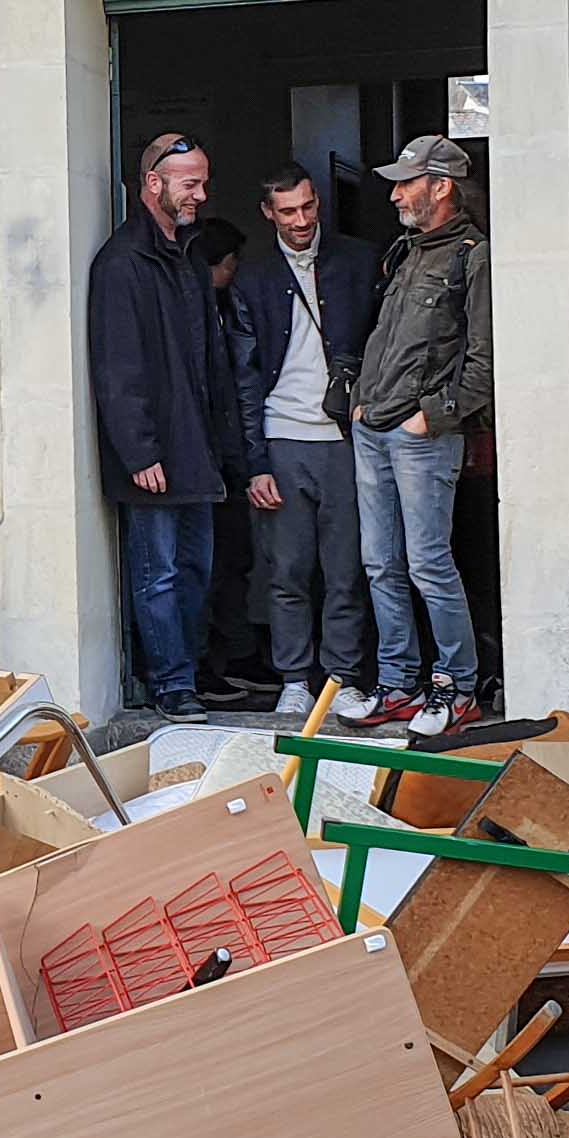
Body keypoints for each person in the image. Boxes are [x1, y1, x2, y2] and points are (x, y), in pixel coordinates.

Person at [84, 132, 246, 726]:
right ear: (154, 183)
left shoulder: (187, 258)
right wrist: (139, 450)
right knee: (159, 577)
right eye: (190, 183)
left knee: (195, 573)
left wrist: (231, 449)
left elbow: (212, 363)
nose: (202, 194)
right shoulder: (123, 263)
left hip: (197, 451)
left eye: (201, 182)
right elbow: (117, 367)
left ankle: (187, 675)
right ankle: (172, 687)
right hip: (155, 458)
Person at [347, 135, 494, 737]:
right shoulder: (405, 252)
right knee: (380, 564)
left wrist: (434, 415)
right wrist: (361, 403)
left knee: (429, 564)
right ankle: (398, 685)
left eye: (407, 181)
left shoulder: (472, 256)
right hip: (375, 427)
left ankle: (457, 689)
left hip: (422, 434)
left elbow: (485, 359)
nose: (394, 192)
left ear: (442, 186)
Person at [233, 162, 382, 723]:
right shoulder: (252, 276)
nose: (302, 220)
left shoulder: (358, 259)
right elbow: (243, 377)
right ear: (268, 213)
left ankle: (341, 677)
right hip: (281, 434)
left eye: (309, 207)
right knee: (287, 569)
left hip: (345, 435)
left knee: (346, 568)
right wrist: (253, 464)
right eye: (288, 211)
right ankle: (295, 677)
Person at [186, 216, 275, 712]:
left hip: (227, 457)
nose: (237, 271)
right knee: (207, 566)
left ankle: (236, 655)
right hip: (210, 459)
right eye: (231, 262)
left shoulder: (224, 309)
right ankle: (204, 664)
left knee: (233, 562)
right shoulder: (196, 316)